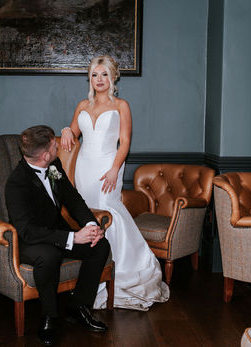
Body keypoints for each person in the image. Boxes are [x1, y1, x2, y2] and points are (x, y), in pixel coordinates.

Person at [61, 55, 169, 311]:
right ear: (90, 78)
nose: (99, 80)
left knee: (109, 212)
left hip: (109, 166)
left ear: (113, 78)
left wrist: (114, 170)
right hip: (84, 168)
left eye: (104, 75)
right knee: (88, 215)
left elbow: (125, 142)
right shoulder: (81, 106)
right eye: (95, 75)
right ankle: (92, 273)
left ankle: (120, 272)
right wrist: (66, 129)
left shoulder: (121, 105)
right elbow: (73, 134)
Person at [5, 125, 110, 346]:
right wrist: (72, 238)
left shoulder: (54, 166)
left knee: (100, 245)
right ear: (45, 155)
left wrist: (90, 226)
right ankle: (49, 316)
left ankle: (78, 307)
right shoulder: (17, 183)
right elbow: (27, 230)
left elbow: (73, 199)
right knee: (49, 255)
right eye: (55, 146)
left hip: (57, 232)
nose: (58, 147)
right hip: (30, 240)